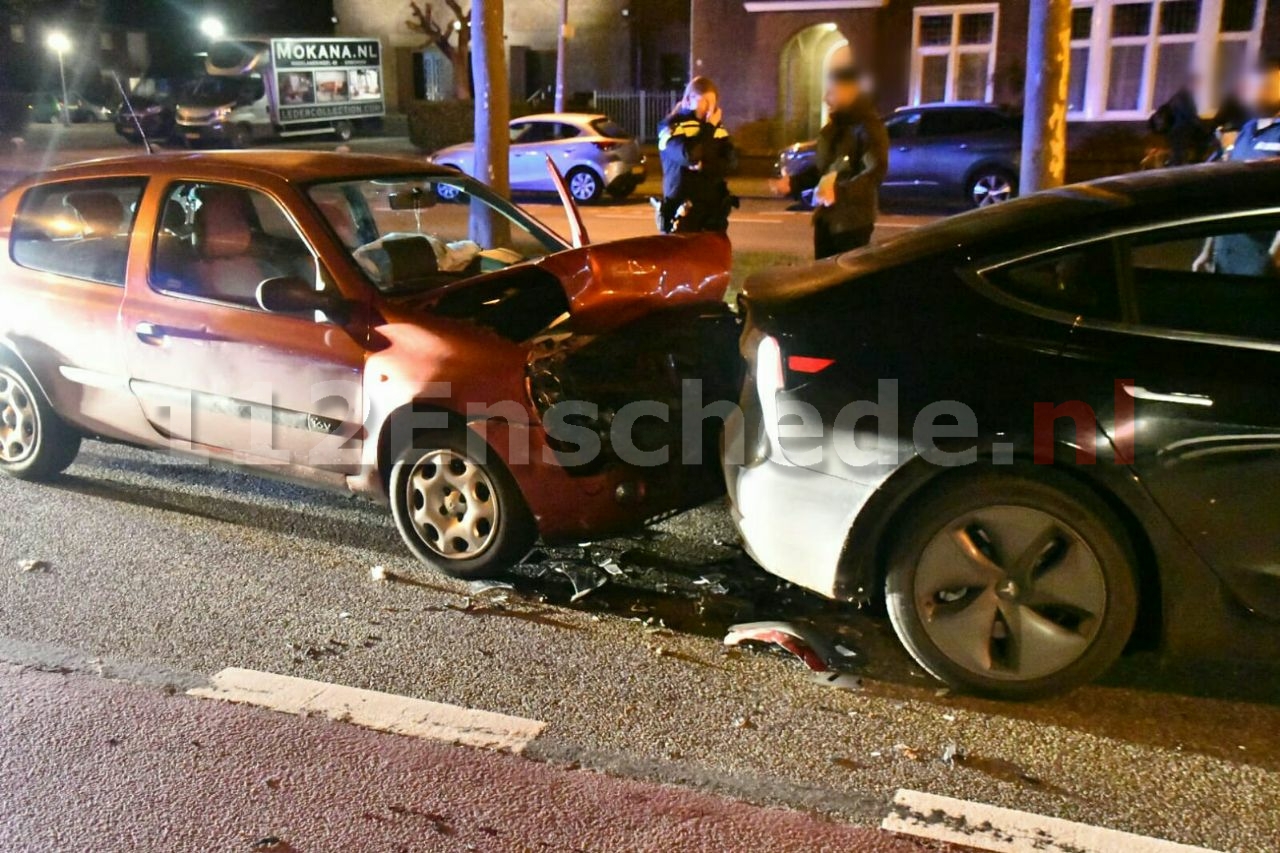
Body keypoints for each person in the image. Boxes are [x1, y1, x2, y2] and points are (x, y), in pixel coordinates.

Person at [1195, 57, 1280, 277]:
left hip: (1261, 262)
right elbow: (1226, 195)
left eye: (1266, 86)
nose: (1256, 93)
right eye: (1253, 86)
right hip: (1227, 256)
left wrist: (1274, 257)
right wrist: (1208, 250)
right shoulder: (1247, 130)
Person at [807, 62, 888, 259]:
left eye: (832, 92)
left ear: (850, 90)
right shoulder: (833, 128)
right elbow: (822, 169)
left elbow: (875, 171)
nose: (827, 99)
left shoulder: (868, 127)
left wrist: (840, 191)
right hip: (827, 220)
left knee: (843, 281)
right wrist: (792, 183)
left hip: (851, 224)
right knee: (823, 279)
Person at [656, 77, 737, 234]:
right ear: (688, 100)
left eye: (713, 103)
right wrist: (708, 128)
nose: (710, 108)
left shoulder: (716, 129)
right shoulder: (673, 126)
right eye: (705, 101)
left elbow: (732, 163)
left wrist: (705, 165)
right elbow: (689, 155)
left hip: (713, 213)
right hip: (683, 213)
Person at [1149, 77, 1211, 166]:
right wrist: (1205, 128)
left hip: (1177, 131)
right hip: (1179, 131)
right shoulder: (1184, 97)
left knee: (1179, 155)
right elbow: (1190, 116)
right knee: (1178, 157)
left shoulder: (1181, 96)